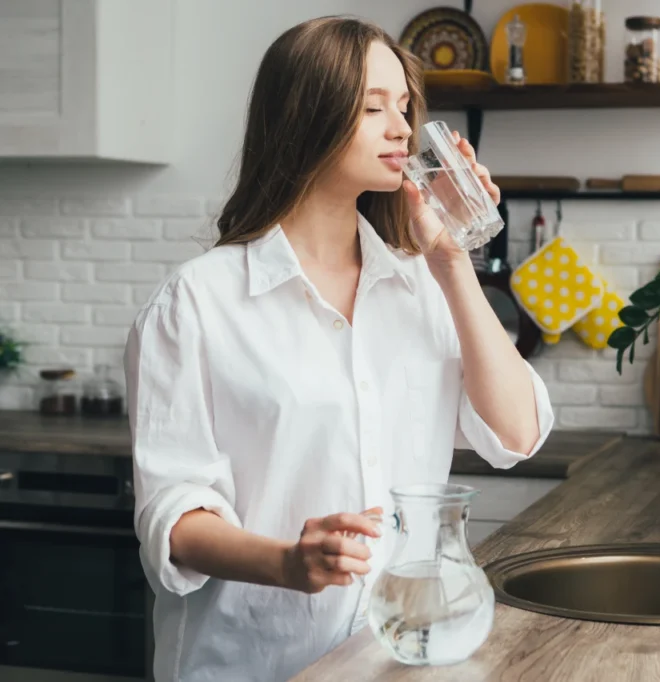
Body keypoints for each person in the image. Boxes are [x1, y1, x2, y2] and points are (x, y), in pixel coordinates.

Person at [123, 16, 554, 682]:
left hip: (394, 659)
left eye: (405, 109)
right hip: (249, 664)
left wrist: (450, 257)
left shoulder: (421, 283)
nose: (402, 130)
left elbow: (517, 432)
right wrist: (287, 563)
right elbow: (173, 515)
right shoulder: (197, 303)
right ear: (306, 116)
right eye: (373, 108)